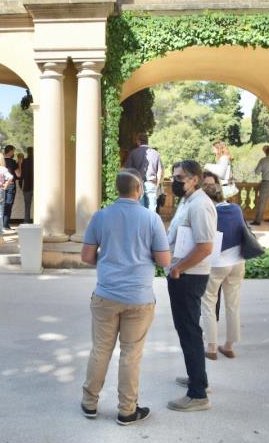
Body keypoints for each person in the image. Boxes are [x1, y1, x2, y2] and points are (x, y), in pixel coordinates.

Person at [80, 168, 171, 425]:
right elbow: (164, 259)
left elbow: (87, 257)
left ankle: (89, 403)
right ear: (139, 189)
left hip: (106, 294)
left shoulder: (101, 216)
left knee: (100, 350)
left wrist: (110, 260)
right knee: (131, 354)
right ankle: (127, 410)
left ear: (117, 190)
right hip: (139, 297)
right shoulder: (151, 219)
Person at [165, 159, 216, 412]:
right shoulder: (188, 201)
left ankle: (197, 395)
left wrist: (178, 268)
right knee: (188, 329)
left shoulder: (199, 205)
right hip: (182, 274)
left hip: (188, 276)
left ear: (194, 179)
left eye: (179, 177)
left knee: (189, 332)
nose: (174, 181)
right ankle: (199, 379)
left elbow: (205, 247)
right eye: (173, 176)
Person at [200, 171, 245, 360]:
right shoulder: (236, 209)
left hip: (217, 262)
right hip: (238, 261)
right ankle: (229, 345)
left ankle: (211, 346)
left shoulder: (208, 212)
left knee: (209, 302)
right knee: (233, 304)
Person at [124, 133, 164, 212]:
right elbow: (160, 171)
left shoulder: (133, 153)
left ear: (138, 141)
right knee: (152, 208)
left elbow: (128, 170)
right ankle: (150, 224)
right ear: (147, 141)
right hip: (152, 183)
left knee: (140, 208)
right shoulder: (155, 153)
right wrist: (157, 184)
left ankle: (142, 224)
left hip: (137, 184)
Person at [2, 145, 20, 230]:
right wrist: (19, 163)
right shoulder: (13, 162)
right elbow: (18, 174)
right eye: (13, 151)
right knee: (8, 204)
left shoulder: (0, 162)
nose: (14, 153)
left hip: (0, 185)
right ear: (10, 151)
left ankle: (0, 223)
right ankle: (5, 224)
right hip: (10, 184)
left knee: (0, 204)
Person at [21, 147, 34, 223]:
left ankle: (26, 220)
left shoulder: (25, 161)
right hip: (37, 186)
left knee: (27, 205)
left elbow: (21, 175)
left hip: (27, 186)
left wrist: (21, 186)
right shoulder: (38, 161)